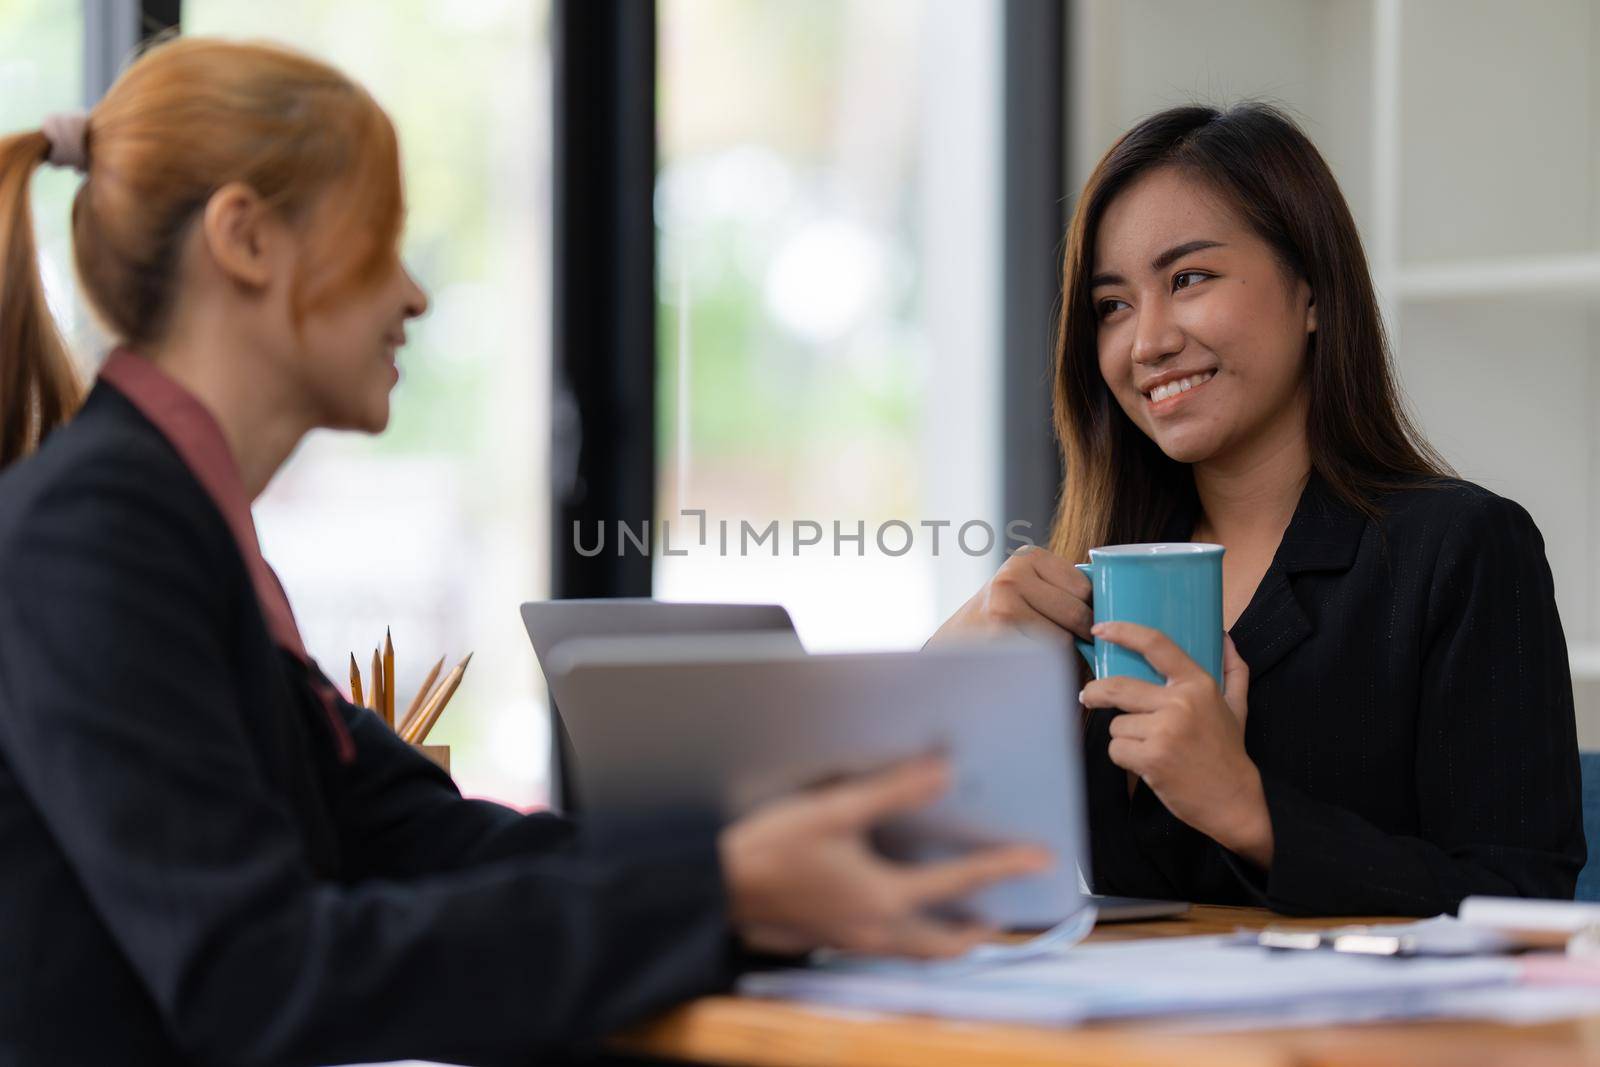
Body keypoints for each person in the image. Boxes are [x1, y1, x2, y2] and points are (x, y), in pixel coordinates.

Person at [0, 38, 1051, 1066]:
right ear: (246, 239)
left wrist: (763, 861)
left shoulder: (171, 522)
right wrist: (723, 885)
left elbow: (418, 837)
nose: (411, 294)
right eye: (381, 237)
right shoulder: (94, 531)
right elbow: (254, 974)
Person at [933, 102, 1584, 917]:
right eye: (1113, 305)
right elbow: (897, 868)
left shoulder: (1459, 550)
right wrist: (950, 674)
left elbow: (1529, 904)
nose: (1147, 342)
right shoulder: (1093, 584)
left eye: (1190, 279)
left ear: (1312, 291)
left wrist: (1248, 810)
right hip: (1128, 1039)